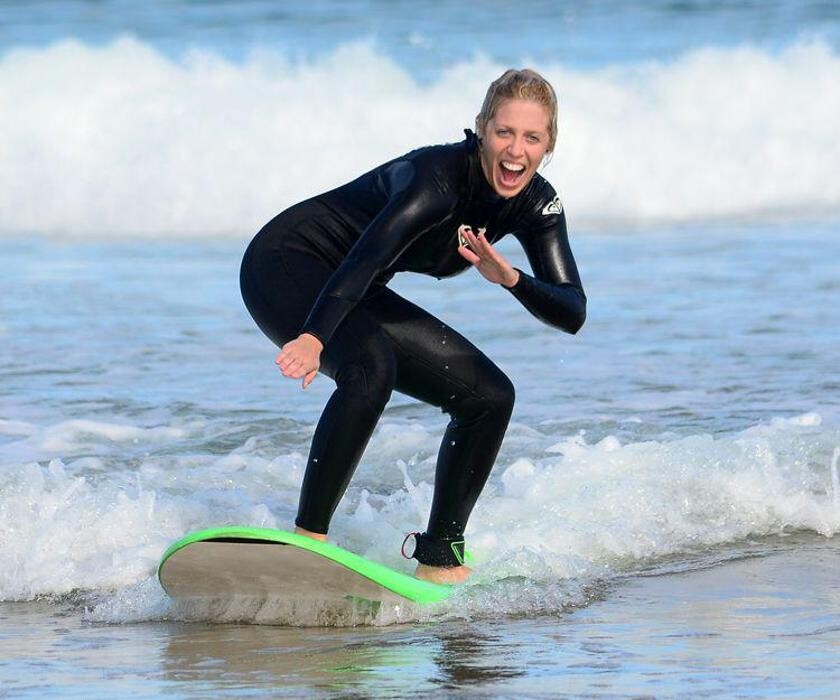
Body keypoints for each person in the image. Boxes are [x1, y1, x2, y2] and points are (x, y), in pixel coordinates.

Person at [239, 68, 586, 584]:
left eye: (532, 137)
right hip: (288, 261)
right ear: (482, 130)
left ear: (548, 144)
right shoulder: (437, 180)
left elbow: (572, 310)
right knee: (370, 366)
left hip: (355, 286)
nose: (516, 150)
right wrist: (314, 337)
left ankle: (441, 557)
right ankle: (308, 539)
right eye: (504, 132)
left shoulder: (537, 204)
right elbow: (366, 257)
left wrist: (510, 277)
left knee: (490, 396)